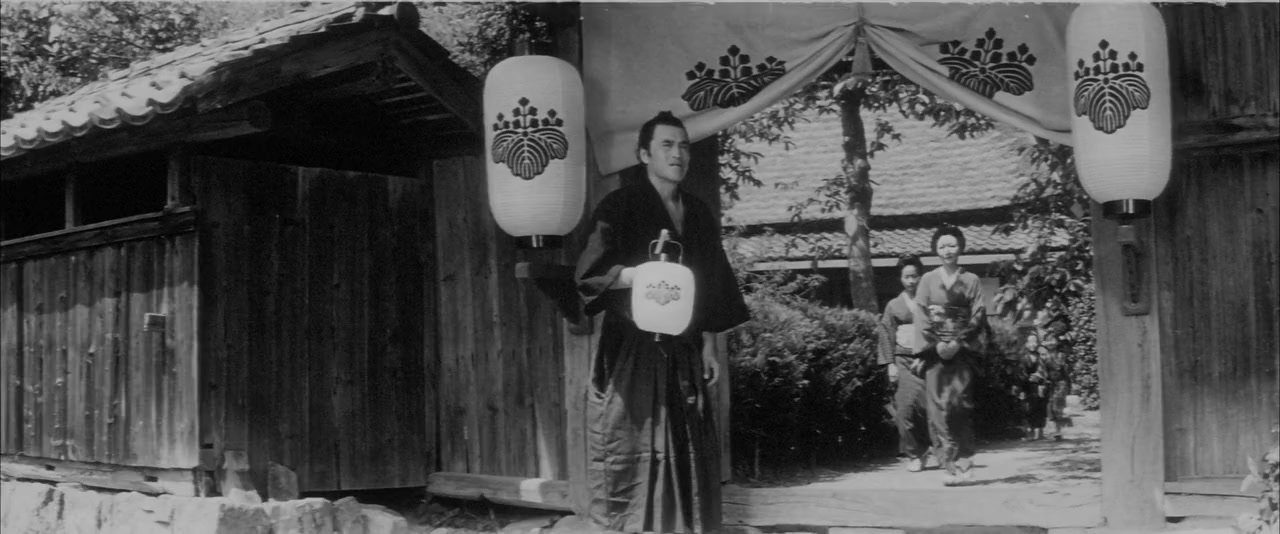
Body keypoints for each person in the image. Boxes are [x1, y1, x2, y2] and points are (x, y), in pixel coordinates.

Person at [575, 111, 750, 533]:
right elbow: (588, 275)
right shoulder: (619, 206)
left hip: (685, 344)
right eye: (667, 145)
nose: (678, 154)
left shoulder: (698, 213)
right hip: (631, 346)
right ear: (644, 154)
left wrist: (709, 344)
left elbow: (711, 283)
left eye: (684, 146)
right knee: (628, 439)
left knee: (687, 436)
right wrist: (634, 275)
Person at [911, 225, 988, 486]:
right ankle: (949, 466)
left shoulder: (971, 280)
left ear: (961, 247)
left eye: (952, 245)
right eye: (942, 246)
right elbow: (922, 314)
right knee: (937, 409)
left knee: (960, 404)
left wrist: (959, 341)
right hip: (935, 353)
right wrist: (936, 345)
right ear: (935, 249)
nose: (947, 250)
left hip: (962, 350)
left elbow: (978, 314)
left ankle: (965, 461)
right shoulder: (927, 280)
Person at [878, 255, 932, 472]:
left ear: (921, 277)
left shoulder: (929, 301)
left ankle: (929, 446)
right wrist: (890, 364)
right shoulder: (893, 305)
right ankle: (914, 453)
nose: (911, 281)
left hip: (927, 359)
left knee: (927, 407)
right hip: (903, 359)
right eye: (906, 277)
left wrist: (927, 354)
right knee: (905, 409)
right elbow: (886, 334)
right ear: (900, 279)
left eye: (914, 276)